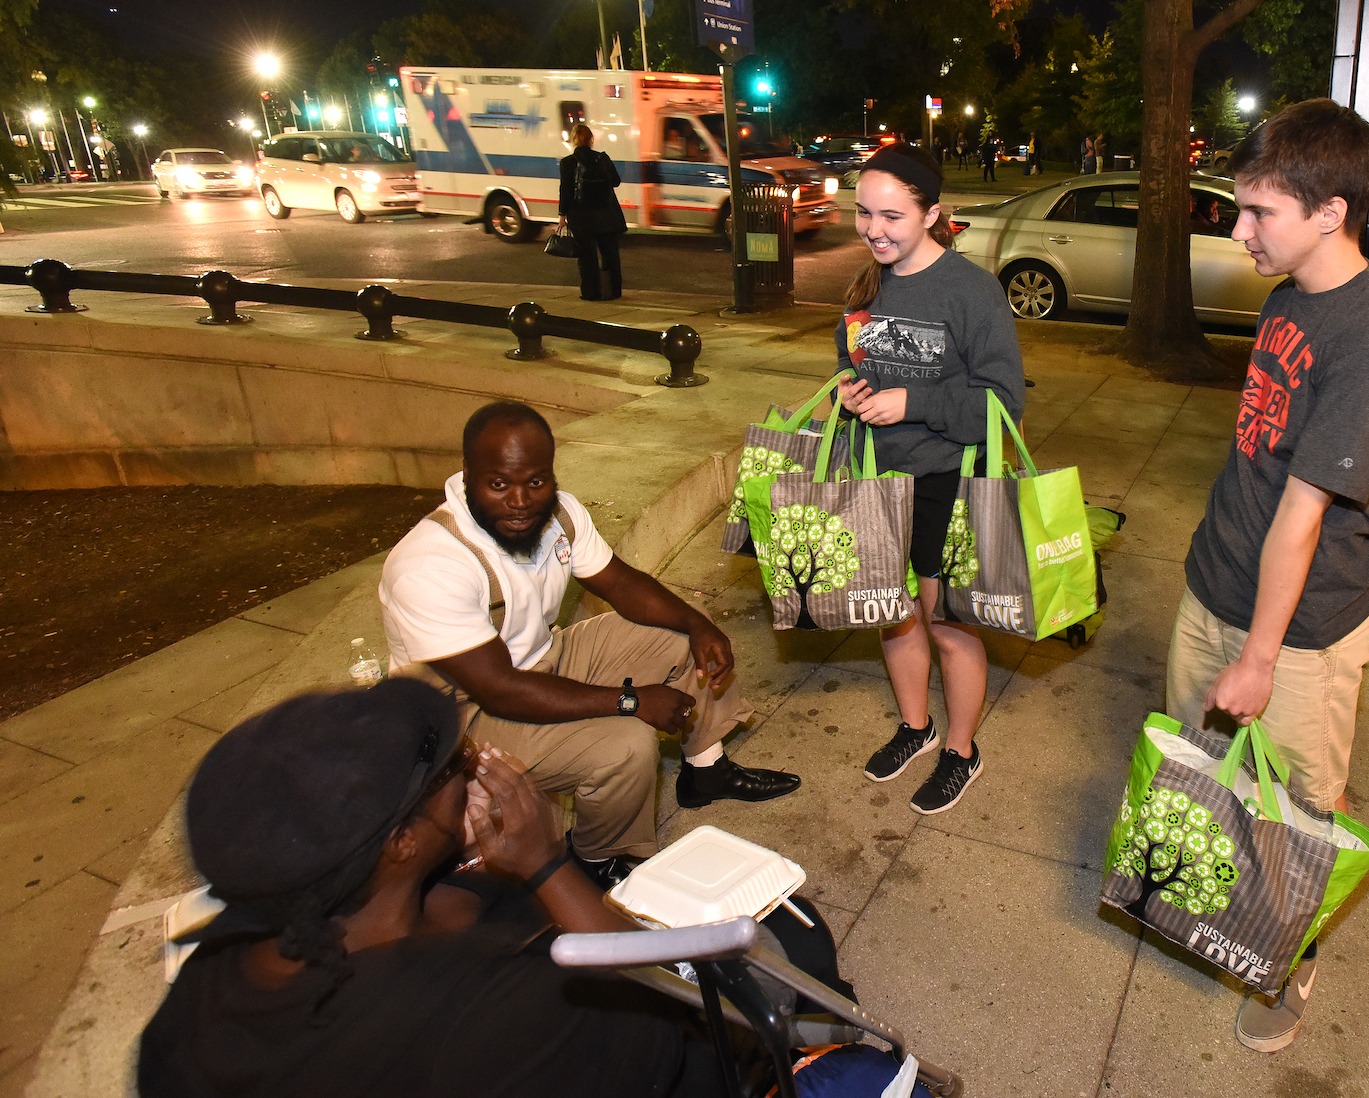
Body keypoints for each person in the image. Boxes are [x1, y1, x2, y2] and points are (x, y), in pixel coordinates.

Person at [1165, 99, 1369, 1054]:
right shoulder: (1289, 296)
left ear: (1331, 212)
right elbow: (1258, 456)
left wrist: (1260, 657)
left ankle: (1292, 959)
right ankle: (1224, 912)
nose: (1238, 230)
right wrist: (1207, 586)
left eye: (1259, 214)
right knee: (1211, 781)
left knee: (1299, 815)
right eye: (1239, 209)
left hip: (1299, 631)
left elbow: (1306, 512)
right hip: (1218, 583)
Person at [137, 680, 742, 1096]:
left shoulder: (201, 990)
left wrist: (453, 857)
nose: (474, 764)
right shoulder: (505, 1012)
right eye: (456, 767)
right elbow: (668, 1011)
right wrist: (546, 864)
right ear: (400, 843)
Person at [379, 402, 798, 883]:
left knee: (683, 631)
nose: (520, 501)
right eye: (499, 485)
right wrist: (631, 701)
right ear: (468, 476)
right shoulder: (431, 563)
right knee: (625, 743)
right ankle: (599, 860)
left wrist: (697, 623)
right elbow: (499, 689)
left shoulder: (561, 516)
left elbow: (622, 585)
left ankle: (707, 772)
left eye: (535, 482)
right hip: (464, 716)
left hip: (544, 658)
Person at [834, 144, 1026, 815]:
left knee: (947, 623)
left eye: (892, 215)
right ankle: (917, 729)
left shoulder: (971, 291)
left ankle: (961, 751)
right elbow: (853, 364)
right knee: (893, 614)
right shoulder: (867, 285)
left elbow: (1003, 403)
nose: (874, 229)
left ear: (932, 214)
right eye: (864, 213)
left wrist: (914, 405)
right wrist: (852, 395)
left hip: (948, 476)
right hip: (876, 476)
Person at [559, 122, 628, 302]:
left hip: (581, 216)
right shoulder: (602, 158)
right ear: (591, 139)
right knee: (610, 255)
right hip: (606, 214)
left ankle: (591, 293)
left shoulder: (568, 163)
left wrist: (562, 216)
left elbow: (565, 189)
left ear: (573, 140)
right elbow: (616, 181)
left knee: (587, 257)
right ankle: (613, 291)